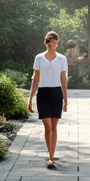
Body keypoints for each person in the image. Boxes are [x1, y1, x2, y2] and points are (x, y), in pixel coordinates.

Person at [27, 30, 68, 168]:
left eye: (56, 43)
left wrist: (66, 100)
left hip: (56, 93)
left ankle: (51, 156)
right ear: (47, 43)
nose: (54, 45)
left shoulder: (62, 59)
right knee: (47, 126)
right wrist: (30, 98)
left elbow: (63, 79)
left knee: (54, 127)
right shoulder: (39, 58)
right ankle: (49, 154)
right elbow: (36, 79)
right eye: (52, 42)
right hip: (43, 93)